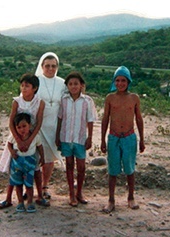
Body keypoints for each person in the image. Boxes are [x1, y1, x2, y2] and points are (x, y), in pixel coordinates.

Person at [0, 73, 49, 209]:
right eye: (22, 85)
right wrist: (19, 140)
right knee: (13, 169)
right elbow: (11, 122)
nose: (24, 88)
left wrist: (29, 140)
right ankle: (8, 198)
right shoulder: (16, 101)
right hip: (16, 137)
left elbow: (38, 123)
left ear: (35, 88)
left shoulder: (40, 102)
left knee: (36, 169)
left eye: (27, 86)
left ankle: (40, 197)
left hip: (33, 138)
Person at [100, 66, 145, 213]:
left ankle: (131, 197)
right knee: (112, 170)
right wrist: (102, 140)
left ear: (128, 81)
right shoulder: (110, 98)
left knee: (130, 169)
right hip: (114, 137)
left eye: (123, 80)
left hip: (129, 137)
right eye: (117, 80)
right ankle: (111, 200)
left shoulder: (134, 98)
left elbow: (139, 119)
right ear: (114, 81)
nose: (120, 83)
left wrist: (142, 140)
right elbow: (105, 119)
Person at [55, 72, 97, 207]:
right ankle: (71, 194)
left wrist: (90, 137)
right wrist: (57, 136)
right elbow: (60, 118)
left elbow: (90, 120)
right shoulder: (64, 100)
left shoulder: (87, 101)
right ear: (67, 86)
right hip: (66, 137)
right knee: (68, 165)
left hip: (79, 138)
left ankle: (79, 192)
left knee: (81, 167)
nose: (73, 87)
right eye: (71, 84)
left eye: (76, 84)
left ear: (81, 85)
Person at [35, 52, 67, 200]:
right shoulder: (36, 81)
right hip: (37, 125)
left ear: (57, 67)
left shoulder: (62, 82)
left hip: (54, 125)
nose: (50, 69)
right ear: (42, 67)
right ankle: (30, 187)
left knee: (49, 158)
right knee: (34, 158)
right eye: (47, 66)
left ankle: (44, 186)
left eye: (53, 66)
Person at [7, 112, 45, 213]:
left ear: (30, 125)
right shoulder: (14, 137)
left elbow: (40, 147)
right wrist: (12, 152)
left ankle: (30, 202)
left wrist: (42, 157)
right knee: (18, 184)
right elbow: (9, 144)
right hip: (17, 163)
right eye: (19, 127)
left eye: (24, 126)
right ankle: (20, 202)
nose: (22, 129)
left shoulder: (35, 137)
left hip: (30, 162)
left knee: (29, 184)